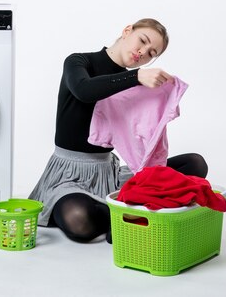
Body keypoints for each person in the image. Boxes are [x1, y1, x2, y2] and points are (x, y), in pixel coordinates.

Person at [29, 18, 208, 243]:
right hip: (69, 176)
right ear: (127, 31)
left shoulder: (137, 86)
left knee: (194, 164)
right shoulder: (78, 61)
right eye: (142, 41)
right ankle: (136, 214)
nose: (143, 53)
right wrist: (136, 76)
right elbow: (84, 90)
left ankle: (127, 213)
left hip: (109, 175)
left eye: (151, 53)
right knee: (79, 219)